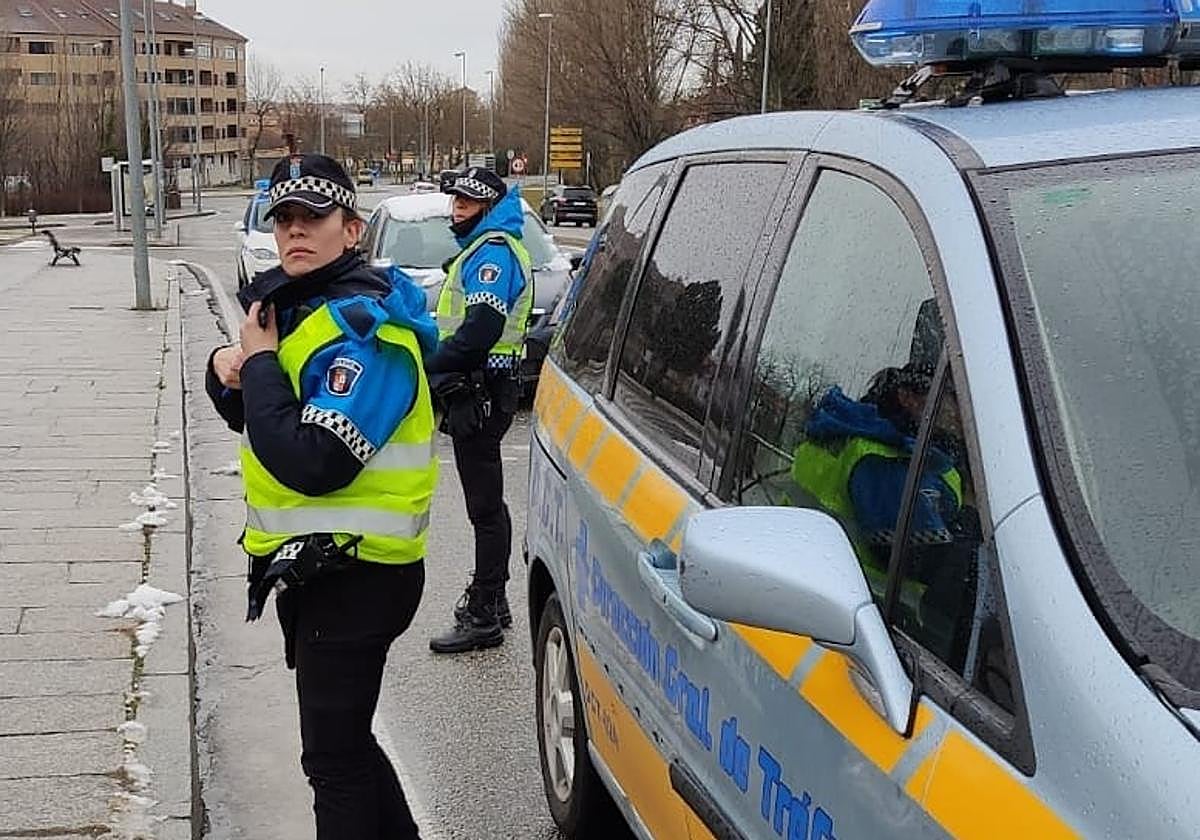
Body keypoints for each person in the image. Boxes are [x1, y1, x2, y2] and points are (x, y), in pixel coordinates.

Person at [205, 153, 439, 839]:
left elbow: (314, 461)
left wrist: (259, 364)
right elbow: (262, 416)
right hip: (324, 569)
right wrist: (229, 372)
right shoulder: (303, 308)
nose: (295, 232)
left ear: (352, 229)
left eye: (314, 217)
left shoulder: (368, 331)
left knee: (332, 764)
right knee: (349, 750)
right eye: (284, 219)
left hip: (360, 575)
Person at [426, 167, 534, 654]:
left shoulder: (492, 253)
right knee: (487, 503)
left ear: (489, 209)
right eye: (455, 202)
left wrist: (430, 366)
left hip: (482, 390)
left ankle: (485, 612)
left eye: (467, 204)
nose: (457, 210)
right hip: (485, 386)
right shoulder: (489, 246)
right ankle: (497, 597)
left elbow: (481, 330)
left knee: (485, 507)